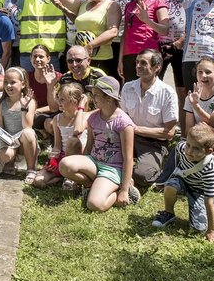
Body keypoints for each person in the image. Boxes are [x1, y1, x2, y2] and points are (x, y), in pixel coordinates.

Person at [58, 76, 139, 210]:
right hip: (94, 162)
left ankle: (119, 189)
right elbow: (89, 146)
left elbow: (128, 158)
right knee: (65, 165)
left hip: (113, 169)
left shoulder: (123, 122)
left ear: (109, 98)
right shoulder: (93, 118)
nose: (93, 98)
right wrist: (83, 165)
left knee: (94, 204)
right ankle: (92, 184)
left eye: (96, 95)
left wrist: (124, 190)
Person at [151, 123, 214, 242]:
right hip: (183, 181)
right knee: (170, 186)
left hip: (199, 191)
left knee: (198, 229)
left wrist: (212, 230)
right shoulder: (180, 148)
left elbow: (208, 198)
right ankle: (168, 213)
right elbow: (172, 164)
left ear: (209, 151)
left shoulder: (210, 167)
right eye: (188, 145)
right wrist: (162, 180)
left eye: (196, 148)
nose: (188, 151)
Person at [119, 49, 178, 187]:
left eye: (143, 63)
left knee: (144, 176)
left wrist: (135, 129)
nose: (138, 66)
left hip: (154, 142)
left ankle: (135, 171)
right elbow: (121, 117)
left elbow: (169, 133)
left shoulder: (167, 93)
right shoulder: (128, 87)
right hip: (127, 137)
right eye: (137, 62)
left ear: (157, 67)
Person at [156, 0, 202, 109]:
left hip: (185, 45)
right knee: (154, 87)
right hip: (159, 44)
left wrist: (183, 39)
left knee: (183, 90)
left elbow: (200, 15)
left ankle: (184, 132)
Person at [56, 0, 120, 76]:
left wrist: (90, 46)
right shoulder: (82, 4)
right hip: (80, 58)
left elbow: (113, 32)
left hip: (101, 59)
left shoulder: (112, 5)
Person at [31, 82, 87, 189]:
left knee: (73, 140)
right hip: (62, 156)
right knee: (38, 181)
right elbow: (57, 144)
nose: (59, 102)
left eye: (62, 100)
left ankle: (69, 176)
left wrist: (81, 107)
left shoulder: (84, 116)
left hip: (78, 157)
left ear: (74, 101)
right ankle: (62, 176)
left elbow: (77, 130)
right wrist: (53, 158)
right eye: (59, 98)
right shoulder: (57, 118)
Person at [118, 0, 169, 82]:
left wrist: (147, 20)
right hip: (129, 54)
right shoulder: (130, 4)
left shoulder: (158, 1)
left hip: (148, 54)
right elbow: (125, 33)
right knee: (131, 92)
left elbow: (165, 30)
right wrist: (120, 59)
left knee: (149, 92)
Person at [0, 67, 38, 176]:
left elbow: (27, 126)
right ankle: (10, 161)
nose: (8, 86)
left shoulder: (30, 102)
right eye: (6, 82)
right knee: (5, 154)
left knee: (28, 133)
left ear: (23, 84)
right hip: (9, 142)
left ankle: (31, 169)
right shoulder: (1, 104)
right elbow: (0, 129)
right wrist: (5, 139)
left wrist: (24, 109)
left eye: (13, 82)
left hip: (25, 142)